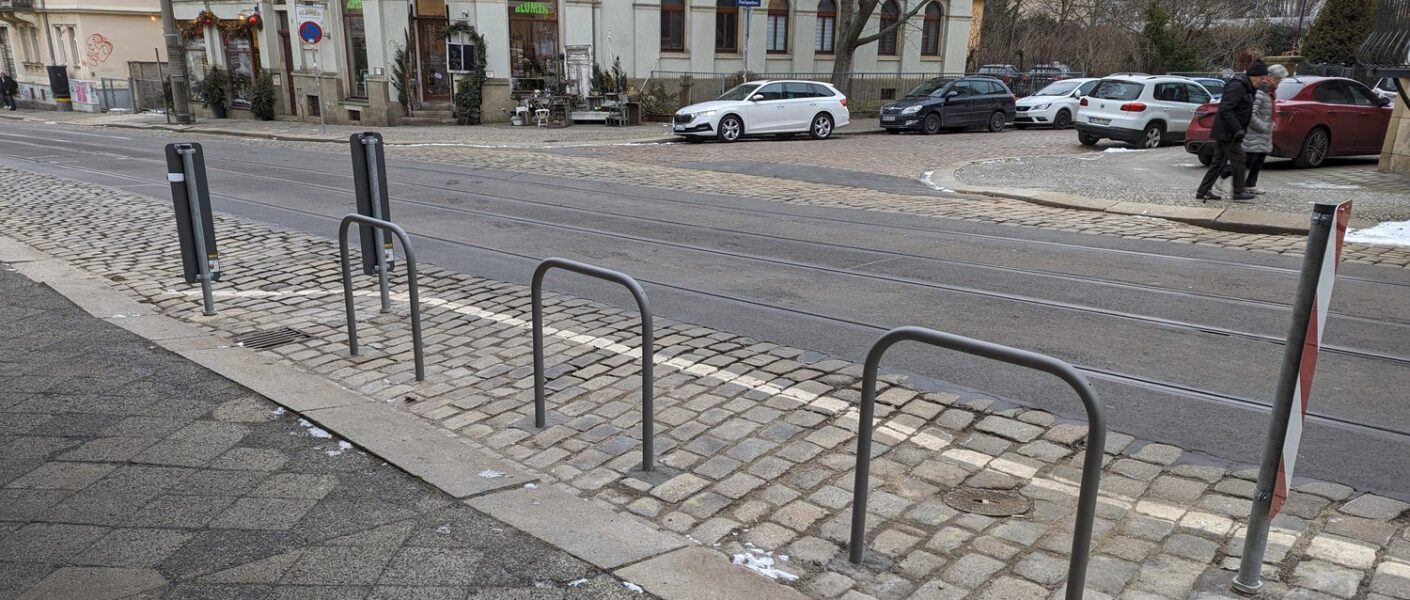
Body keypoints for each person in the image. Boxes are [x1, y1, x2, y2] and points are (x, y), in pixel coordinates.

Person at [1197, 62, 1267, 202]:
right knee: (1239, 159)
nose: (1263, 81)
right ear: (1254, 76)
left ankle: (1203, 191)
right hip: (1228, 132)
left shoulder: (1246, 87)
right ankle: (1238, 191)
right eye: (1262, 78)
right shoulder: (1238, 87)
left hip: (1229, 132)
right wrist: (1237, 129)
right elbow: (1225, 110)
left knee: (1218, 163)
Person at [1216, 64, 1287, 196]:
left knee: (1259, 161)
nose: (1279, 82)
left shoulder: (1270, 92)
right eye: (1278, 79)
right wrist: (1263, 126)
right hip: (1254, 133)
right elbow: (1251, 113)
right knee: (1247, 160)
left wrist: (1269, 124)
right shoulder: (1260, 92)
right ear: (1270, 77)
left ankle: (1250, 185)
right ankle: (1223, 176)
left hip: (1263, 134)